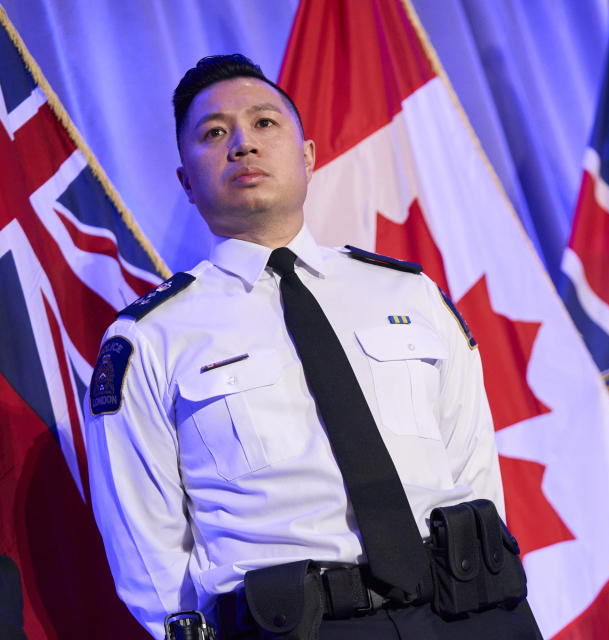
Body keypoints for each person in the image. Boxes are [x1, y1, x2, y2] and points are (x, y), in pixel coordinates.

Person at [84, 54, 541, 640]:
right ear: (185, 183)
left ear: (307, 156)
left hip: (471, 613)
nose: (242, 145)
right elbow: (145, 542)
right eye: (214, 133)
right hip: (302, 626)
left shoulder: (410, 291)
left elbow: (471, 458)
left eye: (265, 123)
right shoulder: (149, 339)